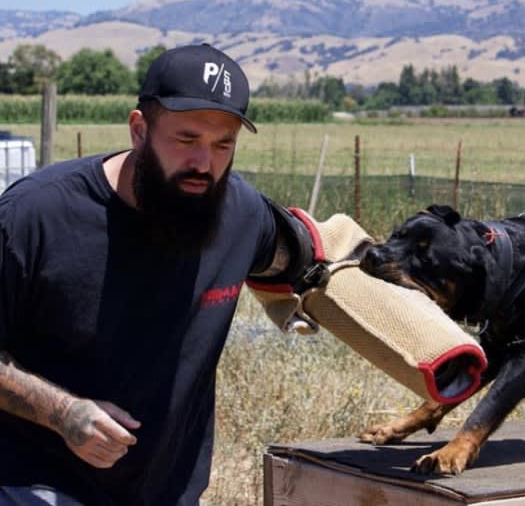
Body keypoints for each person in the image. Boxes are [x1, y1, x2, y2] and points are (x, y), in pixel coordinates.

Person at [0, 44, 306, 505]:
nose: (204, 164)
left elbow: (315, 259)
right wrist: (63, 412)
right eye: (186, 140)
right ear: (139, 129)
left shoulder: (240, 212)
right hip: (34, 486)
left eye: (224, 145)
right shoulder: (34, 217)